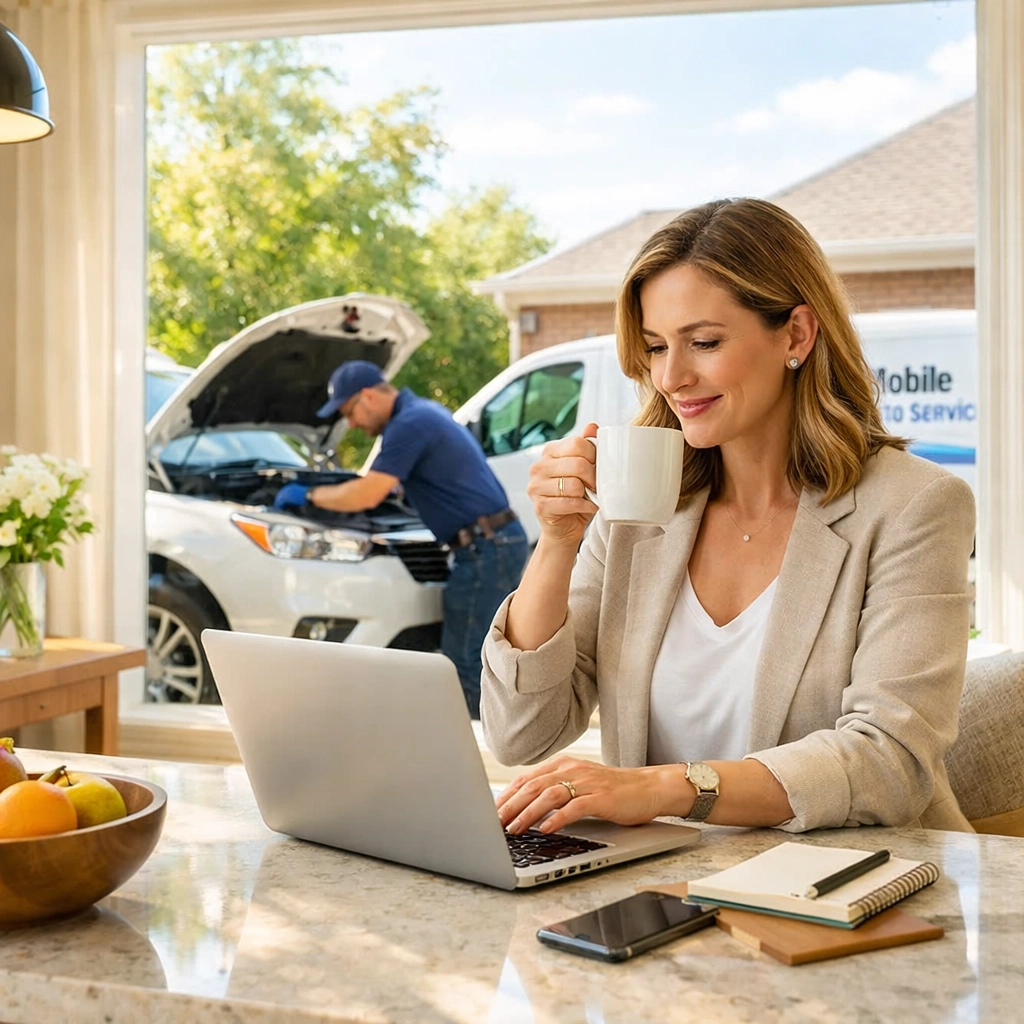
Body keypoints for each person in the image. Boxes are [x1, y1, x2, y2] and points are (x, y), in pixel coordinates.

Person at [480, 197, 976, 837]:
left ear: (796, 334)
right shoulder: (641, 513)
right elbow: (521, 733)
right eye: (656, 348)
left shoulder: (912, 506)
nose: (671, 376)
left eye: (704, 342)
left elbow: (889, 761)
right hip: (661, 891)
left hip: (846, 895)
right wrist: (556, 542)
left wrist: (662, 787)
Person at [273, 360, 528, 718]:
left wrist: (308, 497)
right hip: (492, 543)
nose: (352, 424)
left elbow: (367, 494)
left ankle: (478, 754)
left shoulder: (408, 424)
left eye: (350, 413)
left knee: (465, 662)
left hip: (486, 548)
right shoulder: (421, 413)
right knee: (479, 656)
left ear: (368, 396)